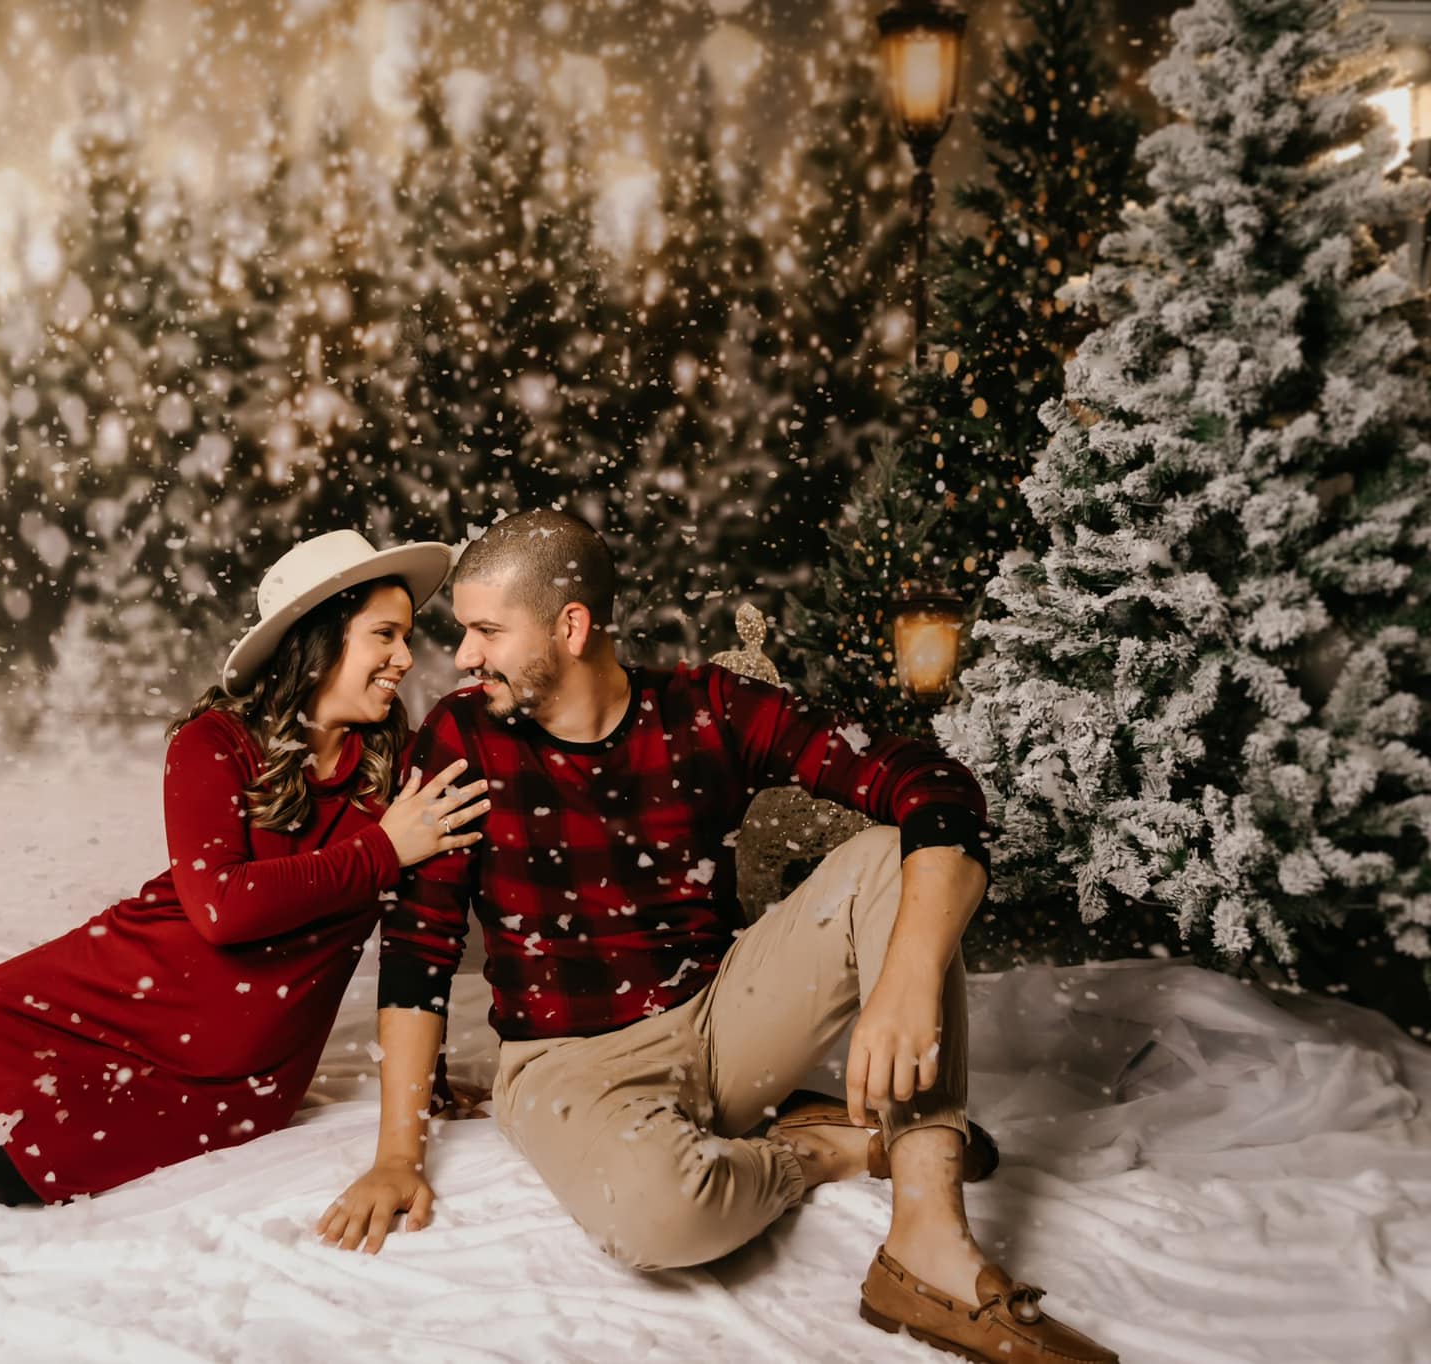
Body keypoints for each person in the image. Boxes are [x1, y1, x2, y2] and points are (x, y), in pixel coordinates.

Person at [315, 510, 1117, 1364]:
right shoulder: (462, 735)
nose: (465, 656)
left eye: (486, 630)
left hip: (721, 1021)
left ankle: (926, 1246)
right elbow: (420, 948)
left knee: (895, 855)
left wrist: (909, 980)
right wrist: (398, 1154)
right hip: (566, 1062)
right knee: (663, 1219)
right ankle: (810, 1151)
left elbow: (928, 783)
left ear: (571, 627)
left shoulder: (707, 708)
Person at [0, 530, 491, 1208]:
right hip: (115, 987)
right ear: (318, 639)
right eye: (384, 634)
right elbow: (223, 911)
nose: (403, 656)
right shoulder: (214, 743)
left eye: (404, 635)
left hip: (232, 1068)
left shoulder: (401, 777)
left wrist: (428, 1074)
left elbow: (427, 932)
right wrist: (381, 851)